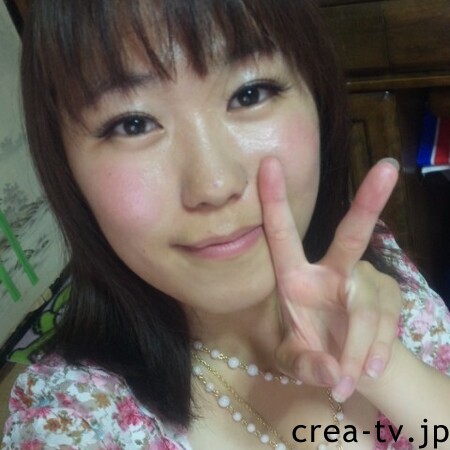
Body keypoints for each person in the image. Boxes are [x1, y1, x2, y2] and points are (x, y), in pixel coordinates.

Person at [2, 0, 450, 449]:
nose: (214, 185)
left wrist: (382, 366)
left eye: (249, 93)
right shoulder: (74, 422)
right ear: (65, 168)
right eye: (133, 124)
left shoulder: (370, 270)